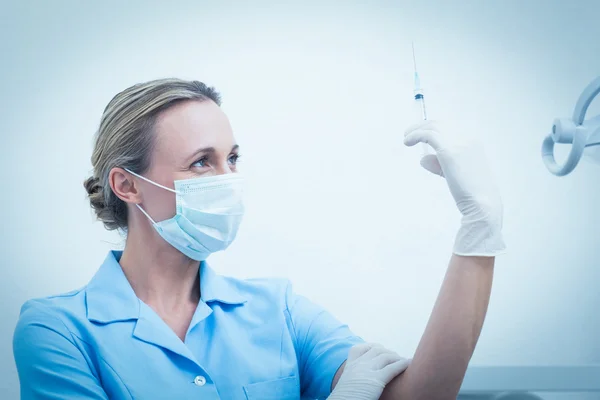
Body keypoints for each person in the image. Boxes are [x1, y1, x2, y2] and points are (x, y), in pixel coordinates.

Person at [13, 78, 505, 400]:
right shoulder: (59, 331)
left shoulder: (278, 309)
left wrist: (478, 229)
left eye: (234, 158)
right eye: (202, 161)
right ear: (127, 185)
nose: (228, 177)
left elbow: (418, 397)